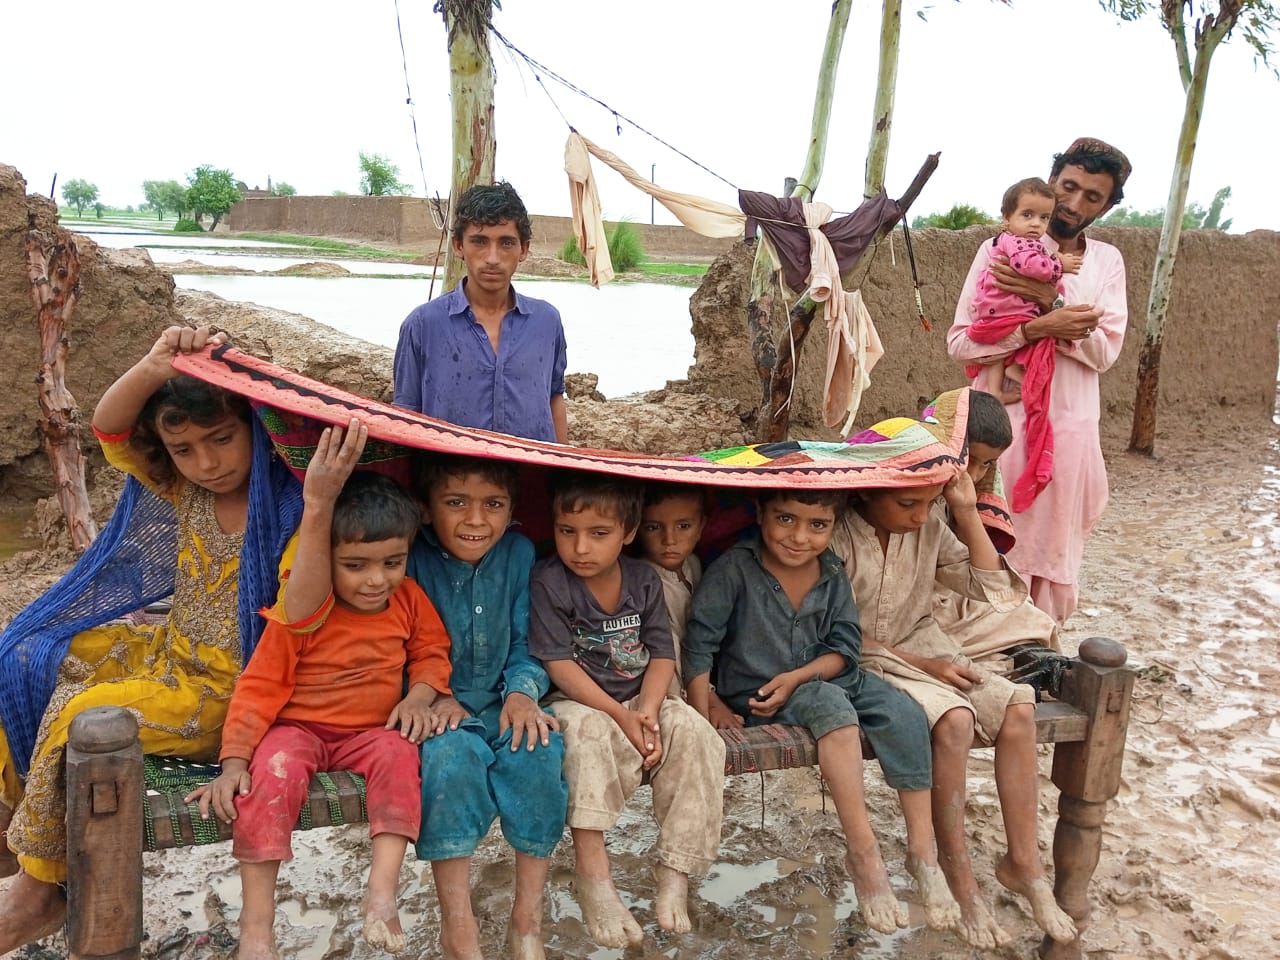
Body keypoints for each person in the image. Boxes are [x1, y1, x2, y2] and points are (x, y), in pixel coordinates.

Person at [0, 326, 304, 952]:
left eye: (222, 439)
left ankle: (41, 893)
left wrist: (324, 501)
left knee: (83, 712)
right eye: (185, 448)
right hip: (169, 654)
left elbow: (300, 620)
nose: (208, 462)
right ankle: (12, 829)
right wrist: (153, 362)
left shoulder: (290, 512)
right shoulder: (184, 487)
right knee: (25, 652)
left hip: (227, 698)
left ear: (258, 428)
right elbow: (110, 429)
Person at [187, 424, 451, 958]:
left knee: (401, 757)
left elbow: (431, 651)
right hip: (298, 730)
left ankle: (381, 894)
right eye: (355, 566)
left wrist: (422, 695)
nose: (376, 580)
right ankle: (256, 929)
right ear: (325, 559)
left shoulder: (410, 600)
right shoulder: (303, 615)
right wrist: (235, 762)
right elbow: (259, 687)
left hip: (369, 735)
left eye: (391, 563)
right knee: (271, 775)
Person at [830, 422, 1077, 950]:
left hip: (928, 645)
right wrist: (927, 664)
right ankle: (956, 871)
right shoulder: (837, 534)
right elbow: (833, 635)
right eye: (910, 505)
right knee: (956, 719)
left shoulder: (929, 523)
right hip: (869, 659)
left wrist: (964, 509)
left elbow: (991, 586)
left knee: (1018, 708)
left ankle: (1024, 864)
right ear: (870, 489)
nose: (922, 516)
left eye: (929, 503)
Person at [684, 488, 959, 936]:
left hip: (827, 676)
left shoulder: (831, 571)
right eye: (785, 519)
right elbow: (699, 644)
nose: (800, 537)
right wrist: (705, 711)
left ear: (834, 526)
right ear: (760, 513)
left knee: (904, 713)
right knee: (831, 706)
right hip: (763, 693)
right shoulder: (734, 569)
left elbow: (845, 648)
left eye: (818, 525)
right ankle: (864, 855)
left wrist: (803, 675)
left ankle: (923, 852)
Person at [529, 472, 725, 949]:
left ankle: (675, 869)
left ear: (628, 533)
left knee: (700, 737)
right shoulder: (550, 582)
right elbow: (556, 663)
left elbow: (661, 653)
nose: (580, 548)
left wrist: (652, 712)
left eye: (599, 534)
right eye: (567, 531)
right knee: (585, 738)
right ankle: (595, 878)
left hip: (643, 700)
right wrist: (621, 717)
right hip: (580, 701)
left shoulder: (641, 579)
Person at [948, 137, 1131, 623]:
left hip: (1069, 433)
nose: (1073, 204)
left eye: (1093, 196)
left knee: (1054, 554)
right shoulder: (999, 250)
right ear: (1051, 183)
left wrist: (1048, 299)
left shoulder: (1106, 262)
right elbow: (962, 343)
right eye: (1068, 187)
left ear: (1108, 205)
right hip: (999, 430)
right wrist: (1034, 329)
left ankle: (1038, 650)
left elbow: (1105, 350)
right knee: (989, 542)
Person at [408, 454, 568, 960]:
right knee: (448, 763)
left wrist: (523, 691)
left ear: (513, 510)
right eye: (456, 503)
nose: (476, 520)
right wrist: (435, 691)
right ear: (426, 509)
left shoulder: (520, 554)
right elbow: (395, 640)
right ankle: (458, 924)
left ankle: (528, 916)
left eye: (493, 505)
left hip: (505, 699)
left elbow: (531, 640)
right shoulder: (409, 557)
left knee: (539, 752)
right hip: (437, 705)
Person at [393, 181, 569, 444]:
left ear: (524, 249)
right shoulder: (422, 325)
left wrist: (562, 473)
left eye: (507, 243)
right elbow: (405, 415)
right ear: (458, 247)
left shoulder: (547, 322)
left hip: (533, 481)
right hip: (450, 482)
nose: (493, 258)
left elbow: (555, 397)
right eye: (479, 242)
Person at [932, 390, 1061, 660]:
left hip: (956, 596)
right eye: (970, 460)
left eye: (987, 464)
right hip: (920, 610)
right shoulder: (917, 501)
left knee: (1032, 617)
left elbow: (995, 584)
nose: (976, 475)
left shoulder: (957, 500)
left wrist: (966, 512)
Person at [967, 177, 1080, 407]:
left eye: (1044, 217)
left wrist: (1053, 257)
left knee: (1000, 349)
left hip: (997, 309)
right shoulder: (1017, 242)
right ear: (1007, 217)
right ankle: (1017, 371)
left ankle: (997, 387)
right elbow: (1028, 266)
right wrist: (1060, 266)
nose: (1036, 224)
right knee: (1037, 330)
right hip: (1005, 310)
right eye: (1027, 215)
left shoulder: (1012, 241)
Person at [634, 482, 739, 725]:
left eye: (683, 526)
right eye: (653, 527)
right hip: (667, 687)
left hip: (699, 676)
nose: (669, 539)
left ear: (701, 526)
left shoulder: (693, 564)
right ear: (636, 528)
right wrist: (710, 701)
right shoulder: (642, 579)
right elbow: (669, 647)